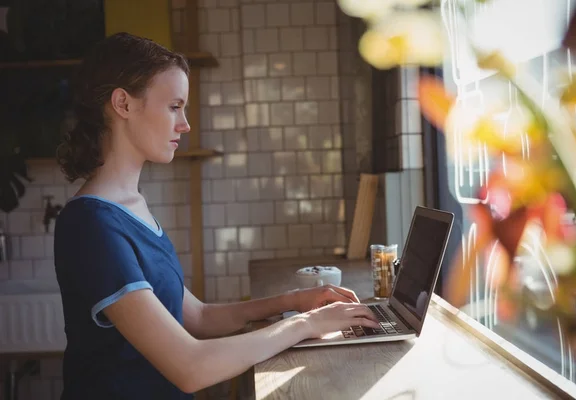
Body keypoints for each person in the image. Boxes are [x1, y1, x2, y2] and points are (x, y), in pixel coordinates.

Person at [53, 32, 379, 400]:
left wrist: (295, 300)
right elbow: (190, 367)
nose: (185, 124)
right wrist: (307, 324)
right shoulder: (91, 226)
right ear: (123, 104)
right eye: (174, 106)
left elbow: (198, 317)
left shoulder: (132, 207)